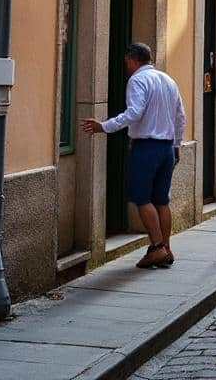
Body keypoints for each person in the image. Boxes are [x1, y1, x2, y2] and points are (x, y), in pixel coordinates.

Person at [81, 42, 187, 270]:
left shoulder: (138, 80)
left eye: (126, 61)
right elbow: (181, 116)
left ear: (132, 59)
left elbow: (135, 112)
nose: (126, 66)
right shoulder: (168, 80)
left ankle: (157, 247)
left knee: (142, 198)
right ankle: (166, 248)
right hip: (167, 147)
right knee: (161, 199)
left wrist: (105, 126)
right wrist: (177, 145)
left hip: (146, 146)